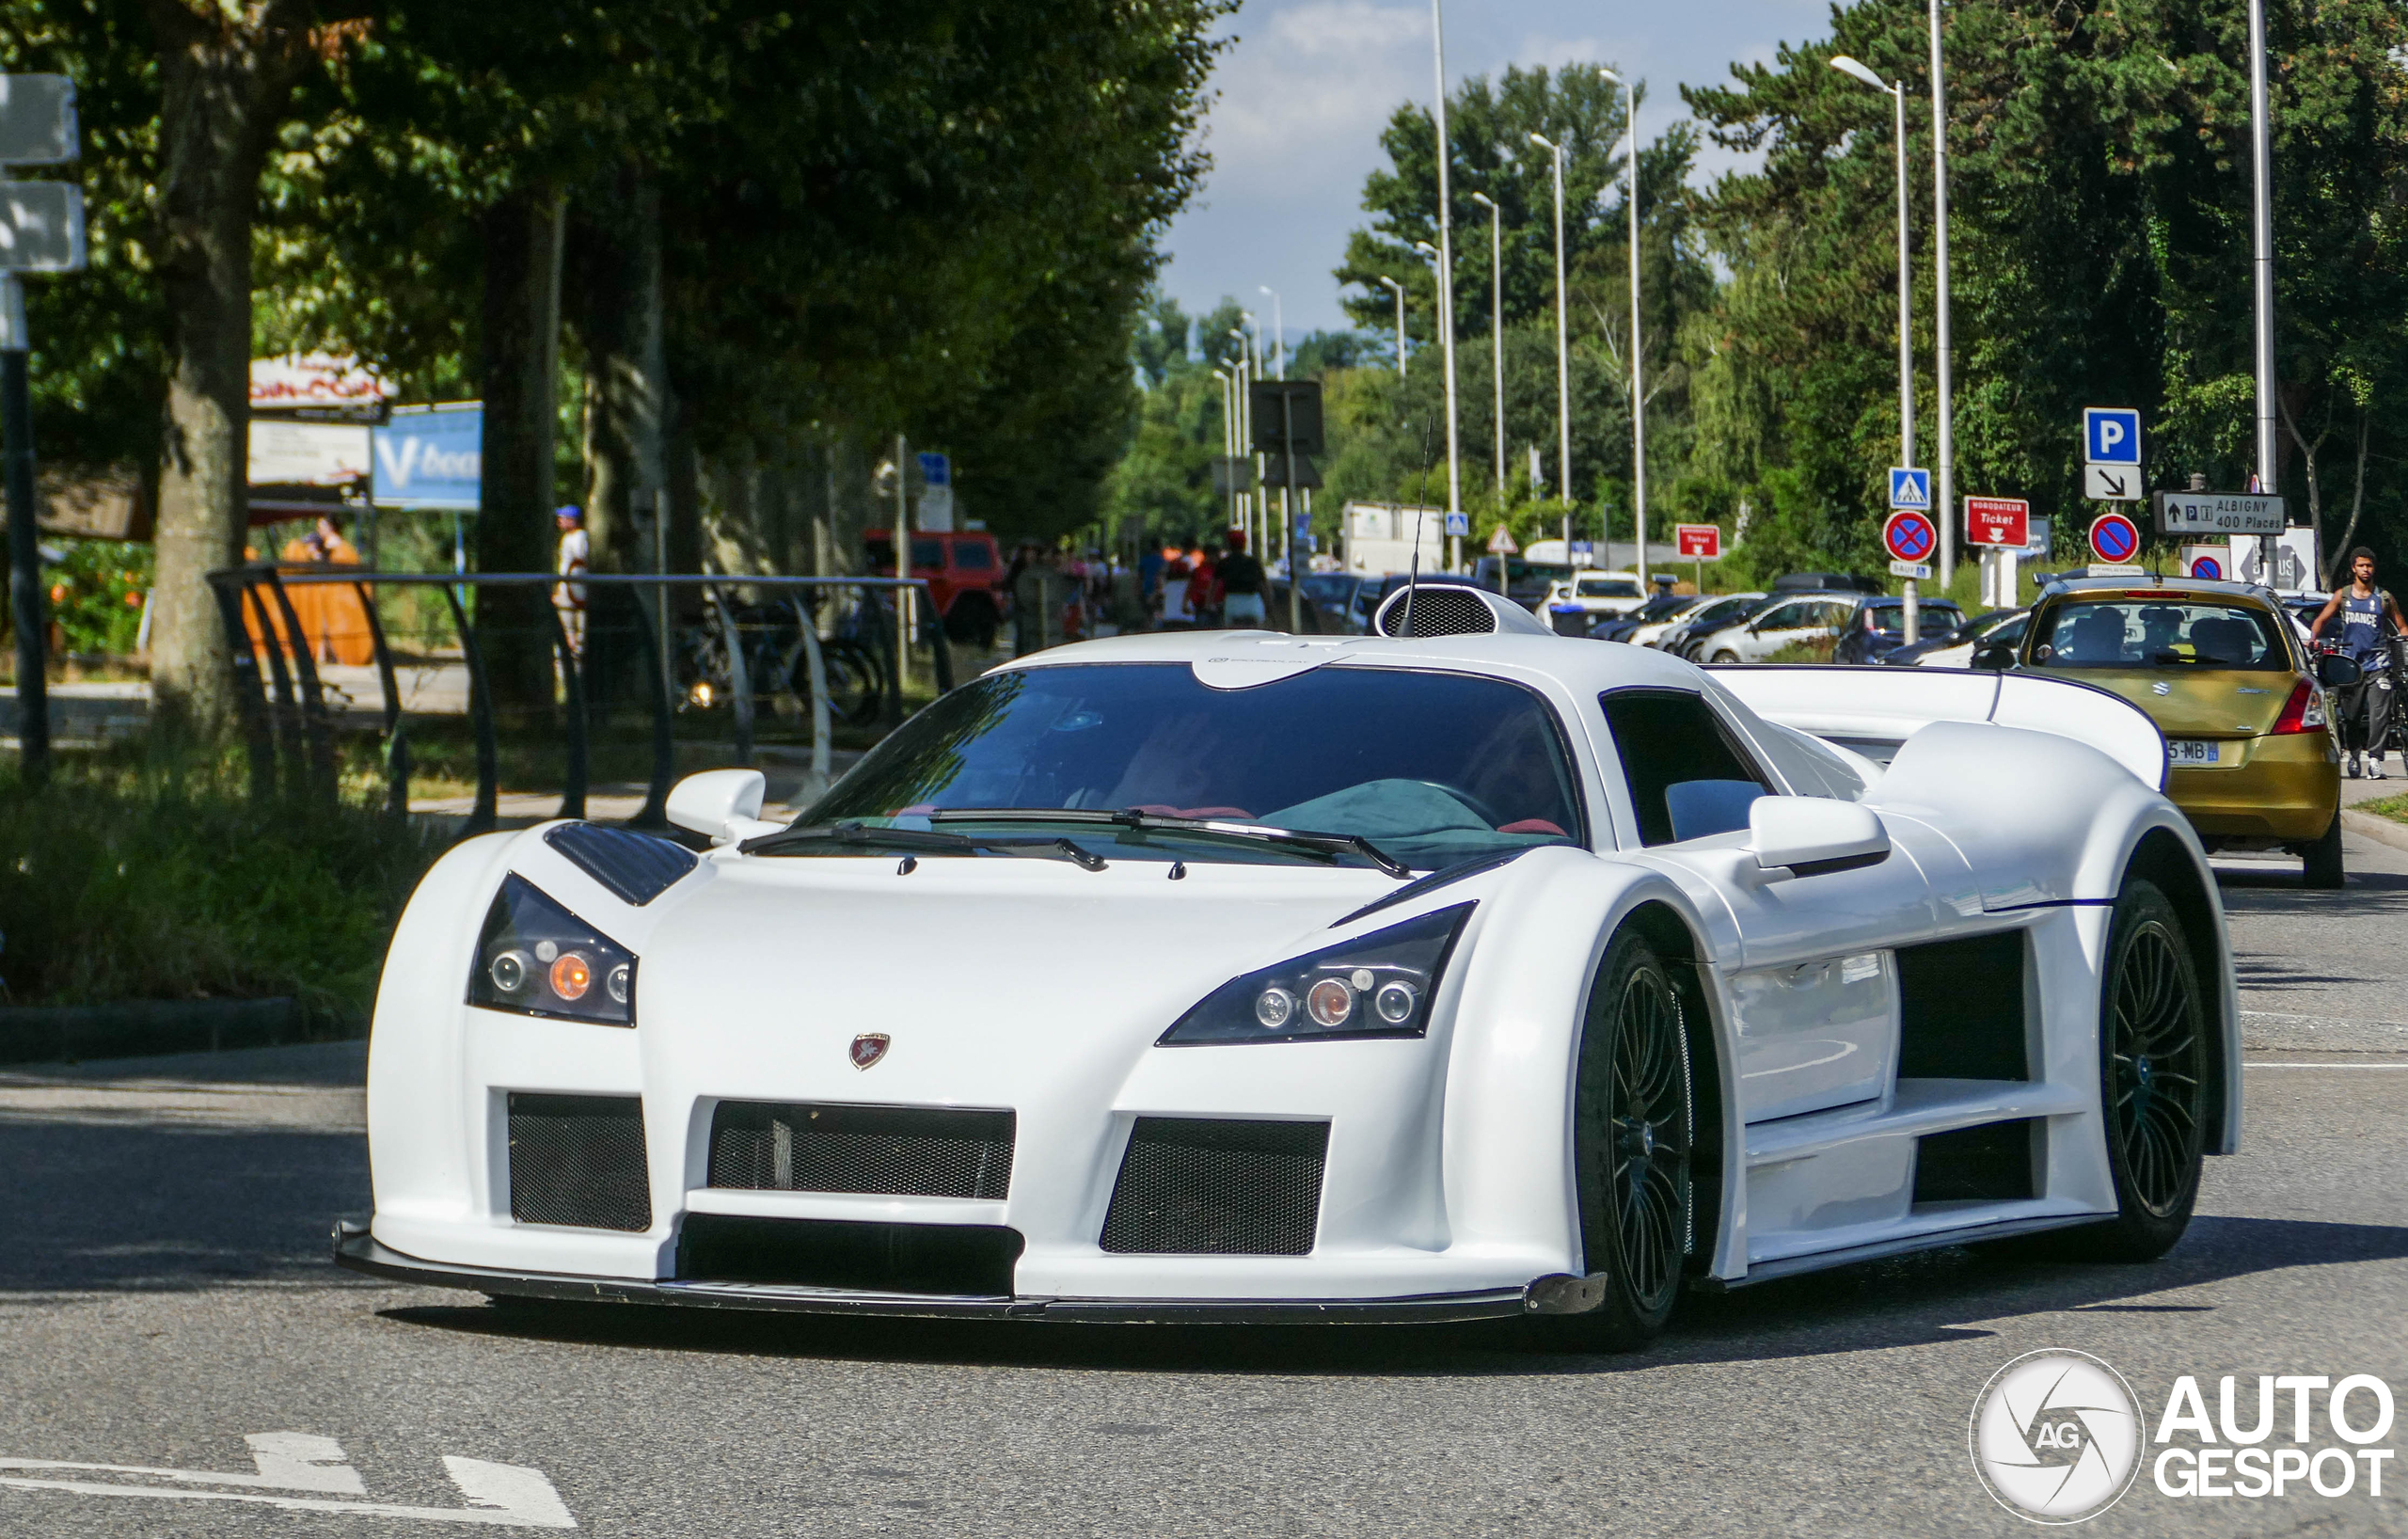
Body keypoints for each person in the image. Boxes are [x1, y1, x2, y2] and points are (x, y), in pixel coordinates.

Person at [2311, 547, 2405, 778]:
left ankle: (2375, 760)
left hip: (2379, 664)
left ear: (2374, 568)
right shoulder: (2342, 596)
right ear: (2354, 568)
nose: (2366, 570)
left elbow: (2402, 626)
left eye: (2369, 565)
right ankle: (2354, 755)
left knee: (2379, 715)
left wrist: (2403, 645)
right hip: (2350, 667)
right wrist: (2312, 639)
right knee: (2351, 718)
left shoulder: (2384, 598)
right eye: (2361, 565)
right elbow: (2321, 620)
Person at [553, 505, 590, 657]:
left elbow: (579, 564)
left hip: (576, 587)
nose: (559, 521)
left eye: (562, 518)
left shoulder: (581, 537)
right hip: (567, 587)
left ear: (572, 520)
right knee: (567, 625)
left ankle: (575, 656)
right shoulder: (567, 538)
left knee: (578, 624)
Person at [1218, 529, 1268, 627]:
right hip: (1252, 602)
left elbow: (1214, 585)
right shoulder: (1253, 562)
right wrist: (1269, 603)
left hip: (1232, 602)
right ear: (1244, 544)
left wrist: (1209, 603)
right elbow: (1264, 585)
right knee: (1256, 630)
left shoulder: (1224, 562)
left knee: (1232, 631)